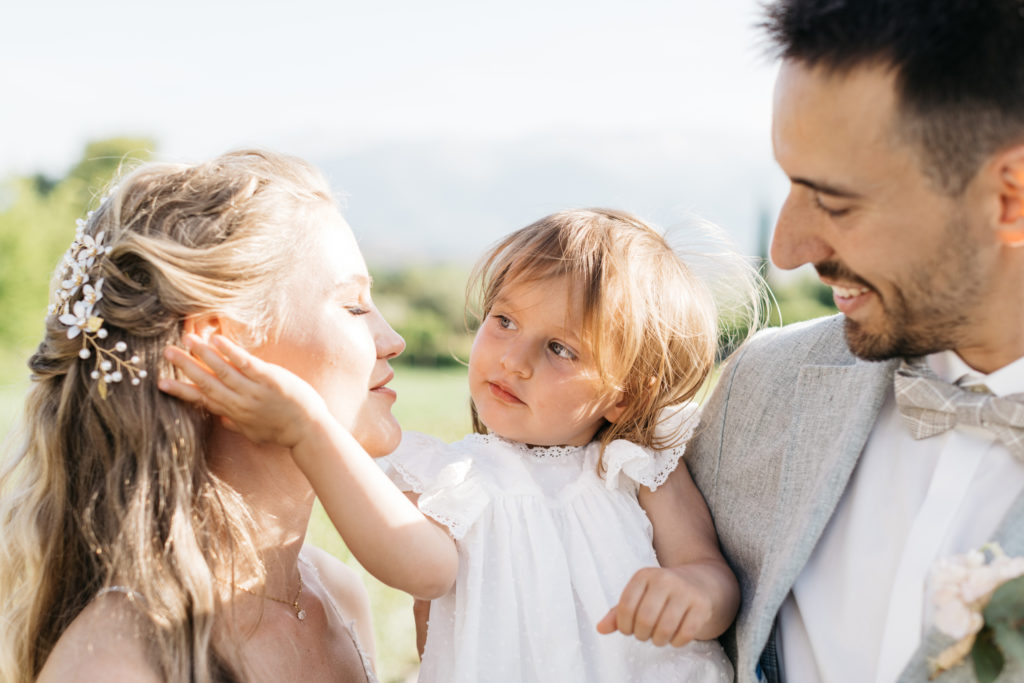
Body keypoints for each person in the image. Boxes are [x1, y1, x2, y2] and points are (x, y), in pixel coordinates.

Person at [161, 209, 761, 682]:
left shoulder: (635, 468)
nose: (513, 360)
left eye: (560, 349)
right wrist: (309, 431)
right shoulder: (461, 476)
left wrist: (695, 594)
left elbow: (710, 573)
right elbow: (421, 567)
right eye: (504, 320)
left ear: (624, 397)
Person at [685, 1, 1024, 682]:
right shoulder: (759, 387)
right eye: (790, 184)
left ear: (1010, 198)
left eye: (835, 202)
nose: (786, 249)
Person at [0, 149, 411, 682]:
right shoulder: (116, 666)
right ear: (216, 351)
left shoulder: (338, 595)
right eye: (354, 306)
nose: (392, 340)